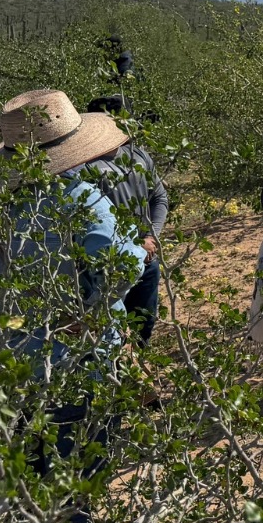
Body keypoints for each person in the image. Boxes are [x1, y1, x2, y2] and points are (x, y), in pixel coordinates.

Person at [0, 90, 144, 505]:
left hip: (8, 366)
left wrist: (4, 318)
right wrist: (88, 311)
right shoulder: (80, 197)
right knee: (74, 488)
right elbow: (124, 266)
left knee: (27, 488)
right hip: (80, 365)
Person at [86, 97, 170, 349]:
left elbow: (159, 197)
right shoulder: (85, 167)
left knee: (144, 323)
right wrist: (132, 246)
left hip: (148, 259)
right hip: (110, 266)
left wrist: (151, 237)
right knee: (110, 331)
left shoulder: (138, 155)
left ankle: (139, 364)